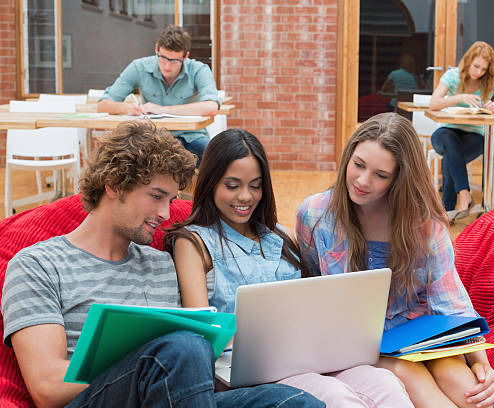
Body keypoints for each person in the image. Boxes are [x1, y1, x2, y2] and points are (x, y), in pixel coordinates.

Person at [1, 120, 323, 408]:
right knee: (182, 348)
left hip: (176, 396)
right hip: (100, 399)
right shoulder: (36, 266)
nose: (167, 215)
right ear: (113, 184)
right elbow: (48, 388)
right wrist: (151, 359)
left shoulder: (163, 264)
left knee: (295, 402)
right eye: (156, 196)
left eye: (171, 200)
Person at [165, 129, 414, 408]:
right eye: (232, 185)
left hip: (309, 355)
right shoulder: (194, 243)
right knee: (334, 395)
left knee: (385, 384)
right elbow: (204, 335)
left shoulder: (279, 236)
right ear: (210, 183)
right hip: (249, 372)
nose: (245, 196)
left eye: (255, 185)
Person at [296, 112, 494, 408]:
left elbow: (452, 303)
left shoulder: (424, 227)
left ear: (399, 179)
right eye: (358, 165)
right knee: (412, 378)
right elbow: (308, 285)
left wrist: (482, 367)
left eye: (380, 175)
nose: (362, 180)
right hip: (357, 346)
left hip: (418, 339)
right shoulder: (316, 214)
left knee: (469, 388)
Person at [98, 25, 220, 164]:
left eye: (174, 61)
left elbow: (211, 107)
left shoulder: (199, 70)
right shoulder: (139, 67)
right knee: (114, 158)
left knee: (211, 157)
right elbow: (103, 105)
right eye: (163, 58)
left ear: (185, 56)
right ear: (157, 49)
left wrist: (161, 110)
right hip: (152, 138)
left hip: (190, 137)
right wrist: (126, 108)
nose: (167, 66)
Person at [429, 41, 494, 218]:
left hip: (474, 135)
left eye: (483, 69)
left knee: (451, 155)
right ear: (468, 61)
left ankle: (447, 211)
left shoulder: (491, 80)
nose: (479, 72)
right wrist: (459, 97)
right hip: (446, 131)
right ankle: (464, 194)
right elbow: (433, 104)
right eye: (476, 66)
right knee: (449, 141)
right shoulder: (452, 76)